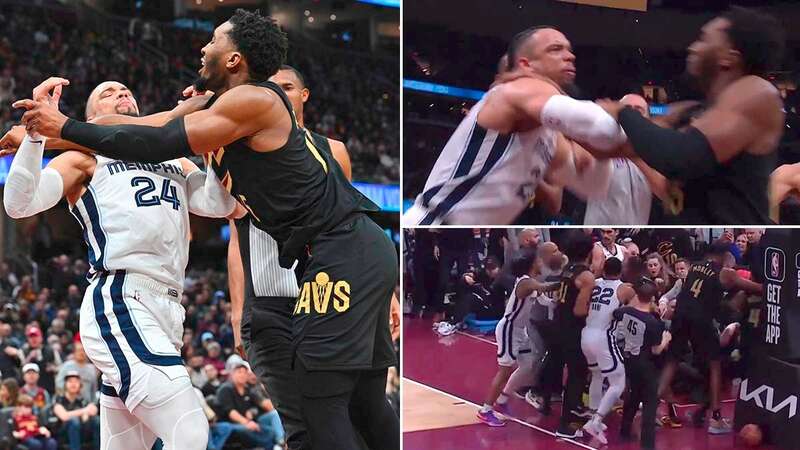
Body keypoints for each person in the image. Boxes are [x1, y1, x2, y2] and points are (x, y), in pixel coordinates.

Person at [18, 10, 399, 450]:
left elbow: (156, 140)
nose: (203, 48)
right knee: (368, 403)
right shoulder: (227, 107)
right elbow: (148, 125)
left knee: (319, 400)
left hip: (340, 251)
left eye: (213, 41)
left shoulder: (254, 99)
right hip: (351, 250)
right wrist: (40, 133)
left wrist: (61, 129)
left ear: (234, 59)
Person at [4, 78, 237, 449]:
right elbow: (19, 204)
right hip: (121, 298)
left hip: (169, 308)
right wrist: (35, 137)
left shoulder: (173, 157)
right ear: (90, 117)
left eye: (126, 90)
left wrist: (213, 141)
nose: (122, 93)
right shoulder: (84, 158)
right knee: (189, 428)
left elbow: (220, 205)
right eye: (107, 93)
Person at [224, 64, 359, 450]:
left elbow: (351, 232)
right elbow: (237, 238)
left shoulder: (334, 151)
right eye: (270, 89)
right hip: (268, 306)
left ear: (303, 95)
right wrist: (238, 313)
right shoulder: (243, 153)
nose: (279, 94)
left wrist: (385, 295)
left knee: (336, 417)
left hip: (325, 302)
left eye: (286, 86)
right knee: (299, 421)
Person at [403, 26, 624, 225]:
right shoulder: (518, 89)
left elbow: (593, 188)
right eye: (556, 49)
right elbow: (599, 126)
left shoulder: (550, 135)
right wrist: (619, 116)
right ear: (526, 65)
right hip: (436, 223)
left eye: (569, 49)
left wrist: (602, 152)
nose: (570, 56)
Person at [598, 7, 786, 224]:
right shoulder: (695, 111)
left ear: (728, 58)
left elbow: (680, 157)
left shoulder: (758, 91)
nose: (693, 47)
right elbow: (628, 150)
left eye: (704, 40)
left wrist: (623, 112)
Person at [658, 241, 762, 433]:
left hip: (681, 315)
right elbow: (759, 289)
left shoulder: (694, 266)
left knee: (672, 360)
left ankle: (652, 407)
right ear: (725, 256)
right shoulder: (726, 273)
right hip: (701, 319)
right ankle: (715, 419)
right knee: (715, 365)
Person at [477, 250, 558, 426]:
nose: (540, 263)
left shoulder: (532, 283)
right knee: (504, 371)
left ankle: (504, 398)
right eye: (538, 260)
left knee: (529, 364)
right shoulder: (526, 283)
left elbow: (545, 300)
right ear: (531, 265)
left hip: (520, 331)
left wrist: (557, 302)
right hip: (509, 329)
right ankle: (485, 410)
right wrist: (566, 282)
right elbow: (544, 288)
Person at [614, 278, 672, 450]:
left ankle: (624, 430)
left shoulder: (625, 312)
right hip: (646, 364)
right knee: (649, 402)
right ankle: (648, 444)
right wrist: (665, 339)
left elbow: (618, 313)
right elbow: (656, 350)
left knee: (633, 395)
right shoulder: (654, 323)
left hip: (630, 360)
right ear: (653, 299)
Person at [580, 258, 631, 444]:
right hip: (603, 337)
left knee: (597, 375)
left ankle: (593, 414)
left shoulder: (595, 283)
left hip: (586, 334)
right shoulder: (624, 288)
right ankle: (596, 421)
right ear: (621, 270)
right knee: (619, 382)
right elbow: (638, 303)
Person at [553, 233, 595, 438]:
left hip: (558, 324)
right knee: (577, 374)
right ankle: (566, 425)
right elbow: (580, 311)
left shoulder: (567, 269)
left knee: (573, 373)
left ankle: (574, 408)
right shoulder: (586, 276)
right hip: (573, 328)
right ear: (589, 251)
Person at [210, 359, 284, 450]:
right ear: (232, 375)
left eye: (245, 372)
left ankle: (280, 443)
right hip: (229, 424)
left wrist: (265, 388)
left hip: (250, 421)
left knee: (272, 425)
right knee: (250, 430)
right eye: (239, 372)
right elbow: (231, 413)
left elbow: (264, 404)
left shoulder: (248, 389)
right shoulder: (225, 389)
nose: (242, 375)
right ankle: (273, 447)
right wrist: (247, 423)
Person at [52, 371, 100, 450]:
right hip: (63, 434)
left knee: (97, 420)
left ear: (80, 385)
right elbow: (64, 416)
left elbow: (93, 410)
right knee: (74, 421)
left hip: (80, 432)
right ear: (65, 384)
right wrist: (84, 411)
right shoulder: (58, 399)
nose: (73, 384)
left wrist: (87, 412)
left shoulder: (82, 400)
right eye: (70, 381)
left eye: (76, 381)